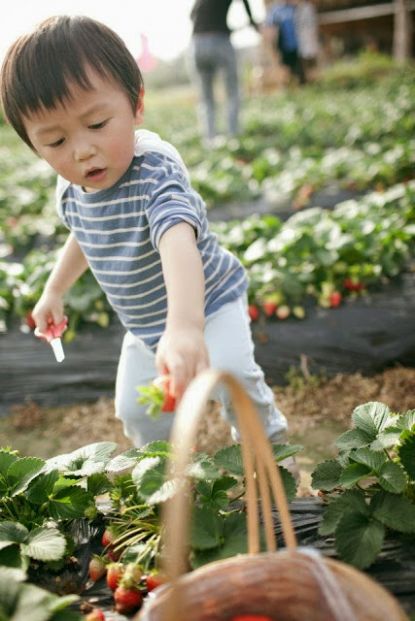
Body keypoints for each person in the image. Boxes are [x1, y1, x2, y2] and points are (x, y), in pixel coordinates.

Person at [0, 15, 288, 449]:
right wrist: (54, 290)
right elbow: (83, 233)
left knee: (233, 376)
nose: (81, 150)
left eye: (97, 124)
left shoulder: (153, 171)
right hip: (146, 326)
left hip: (208, 306)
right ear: (32, 145)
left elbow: (176, 240)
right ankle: (165, 473)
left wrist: (186, 326)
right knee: (137, 410)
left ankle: (272, 456)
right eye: (55, 142)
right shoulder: (73, 188)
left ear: (136, 105)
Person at [190, 0, 258, 144]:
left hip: (197, 43)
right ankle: (233, 135)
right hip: (219, 38)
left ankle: (209, 138)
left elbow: (192, 15)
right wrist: (252, 21)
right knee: (232, 90)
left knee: (206, 97)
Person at [264, 0, 306, 85]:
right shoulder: (275, 10)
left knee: (298, 64)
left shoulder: (292, 7)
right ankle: (288, 83)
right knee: (286, 65)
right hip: (283, 44)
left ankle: (301, 82)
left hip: (296, 43)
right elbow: (270, 26)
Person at [296, 0, 319, 80]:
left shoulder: (308, 8)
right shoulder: (298, 9)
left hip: (309, 39)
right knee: (306, 62)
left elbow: (312, 25)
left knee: (312, 61)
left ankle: (315, 79)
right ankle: (310, 80)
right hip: (303, 41)